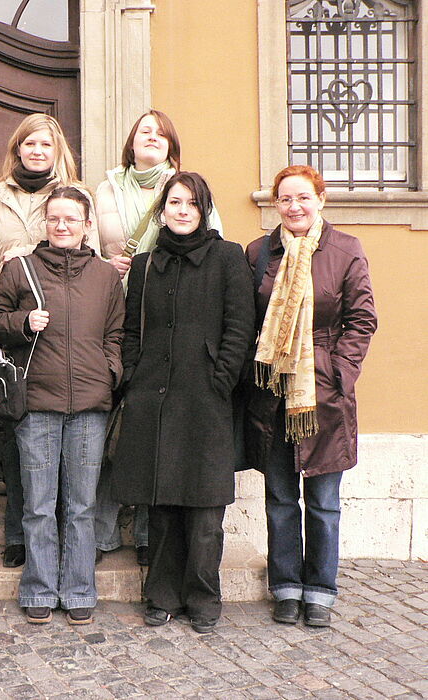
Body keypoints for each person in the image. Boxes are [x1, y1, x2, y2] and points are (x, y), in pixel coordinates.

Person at [111, 172, 254, 634]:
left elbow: (240, 326)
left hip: (206, 399)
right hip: (153, 399)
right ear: (162, 210)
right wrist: (133, 375)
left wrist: (221, 378)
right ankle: (162, 595)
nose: (182, 210)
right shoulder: (144, 265)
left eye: (192, 203)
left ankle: (203, 596)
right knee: (162, 508)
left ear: (204, 209)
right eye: (174, 202)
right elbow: (131, 330)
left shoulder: (228, 257)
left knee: (206, 510)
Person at [0, 187, 124, 626]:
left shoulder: (105, 276)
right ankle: (39, 588)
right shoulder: (21, 269)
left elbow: (117, 333)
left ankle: (79, 589)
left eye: (71, 219)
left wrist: (110, 371)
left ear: (87, 226)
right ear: (45, 223)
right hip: (37, 402)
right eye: (54, 218)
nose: (62, 226)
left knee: (81, 506)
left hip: (90, 404)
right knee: (39, 505)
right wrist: (22, 323)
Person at [245, 165, 376, 628]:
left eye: (303, 197)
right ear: (275, 204)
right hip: (272, 394)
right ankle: (285, 586)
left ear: (320, 200)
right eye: (285, 199)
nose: (294, 206)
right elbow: (248, 318)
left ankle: (320, 590)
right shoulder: (260, 252)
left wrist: (339, 372)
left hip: (324, 394)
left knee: (323, 502)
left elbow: (362, 320)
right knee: (280, 498)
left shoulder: (345, 250)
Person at [94, 109, 223, 566]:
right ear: (131, 142)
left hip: (174, 327)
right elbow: (88, 246)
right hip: (116, 314)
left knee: (161, 440)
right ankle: (102, 534)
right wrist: (105, 265)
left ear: (172, 146)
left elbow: (212, 254)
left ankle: (150, 538)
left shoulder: (187, 190)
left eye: (161, 133)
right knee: (114, 429)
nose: (151, 137)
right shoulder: (105, 188)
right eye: (144, 131)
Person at [0, 112, 99, 568]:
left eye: (45, 144)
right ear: (18, 148)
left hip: (64, 338)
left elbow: (92, 260)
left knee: (66, 454)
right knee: (18, 446)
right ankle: (18, 536)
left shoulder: (75, 196)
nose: (37, 151)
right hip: (13, 334)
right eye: (29, 143)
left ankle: (69, 541)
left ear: (57, 150)